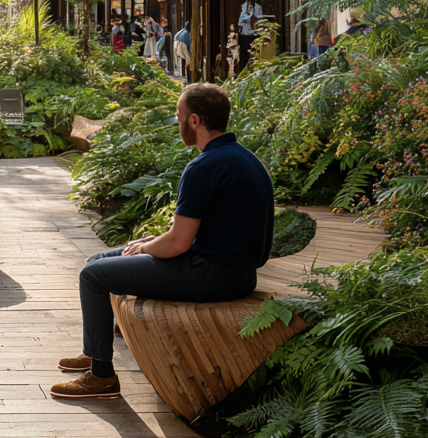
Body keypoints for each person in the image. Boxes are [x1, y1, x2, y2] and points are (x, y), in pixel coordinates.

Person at [50, 83, 274, 399]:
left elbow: (178, 244)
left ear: (195, 120)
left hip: (212, 275)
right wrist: (156, 242)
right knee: (98, 261)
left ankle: (101, 377)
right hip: (238, 272)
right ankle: (93, 350)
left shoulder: (204, 167)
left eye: (179, 114)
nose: (177, 120)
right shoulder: (245, 158)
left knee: (92, 275)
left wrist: (146, 248)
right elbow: (205, 230)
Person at [237, 0, 264, 70]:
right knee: (244, 54)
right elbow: (241, 19)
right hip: (245, 33)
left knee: (254, 54)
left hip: (255, 33)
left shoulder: (258, 7)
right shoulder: (244, 7)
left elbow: (260, 17)